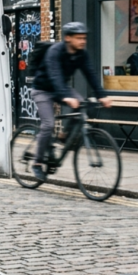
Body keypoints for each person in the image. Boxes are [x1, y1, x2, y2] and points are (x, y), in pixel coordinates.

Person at [30, 22, 113, 180]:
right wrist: (65, 96)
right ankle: (37, 163)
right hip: (42, 89)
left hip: (61, 88)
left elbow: (91, 74)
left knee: (82, 104)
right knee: (48, 124)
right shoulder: (55, 51)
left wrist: (102, 95)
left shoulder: (82, 54)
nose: (83, 41)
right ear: (68, 38)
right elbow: (55, 75)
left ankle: (64, 134)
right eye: (79, 38)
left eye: (84, 38)